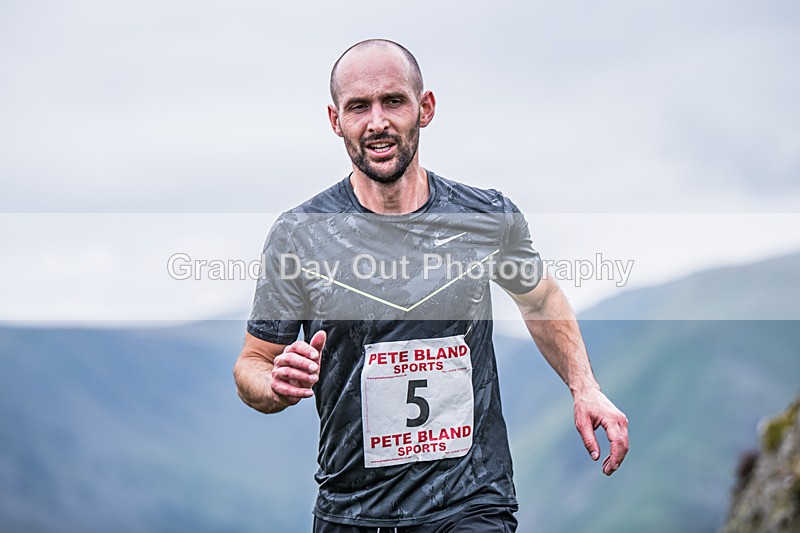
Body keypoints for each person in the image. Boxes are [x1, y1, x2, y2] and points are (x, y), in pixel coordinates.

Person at [234, 39, 629, 532]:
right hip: (353, 512)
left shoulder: (484, 217)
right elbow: (252, 363)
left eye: (393, 101)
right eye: (359, 107)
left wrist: (584, 385)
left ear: (425, 108)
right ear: (336, 121)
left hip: (471, 502)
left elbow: (540, 297)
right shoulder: (300, 235)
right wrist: (273, 384)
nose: (377, 121)